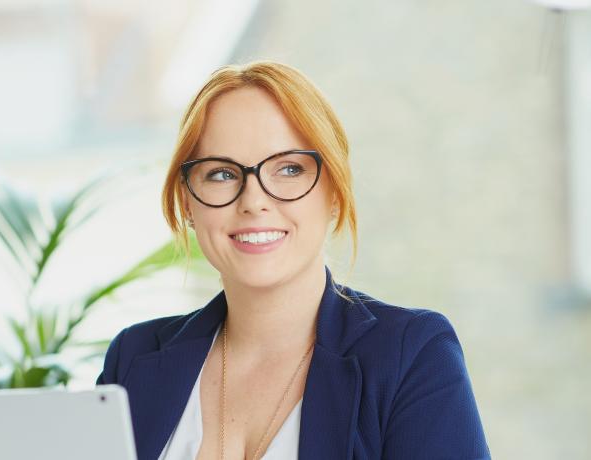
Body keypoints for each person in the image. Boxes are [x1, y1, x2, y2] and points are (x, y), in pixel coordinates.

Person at [96, 61, 490, 460]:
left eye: (288, 168)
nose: (253, 201)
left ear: (334, 193)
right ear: (188, 202)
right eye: (220, 174)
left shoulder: (412, 356)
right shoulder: (132, 359)